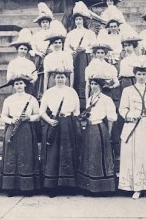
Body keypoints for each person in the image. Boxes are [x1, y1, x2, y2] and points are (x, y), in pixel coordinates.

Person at [118, 56, 146, 199]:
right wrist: (130, 115)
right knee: (135, 155)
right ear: (135, 75)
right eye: (139, 74)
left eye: (144, 74)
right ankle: (136, 188)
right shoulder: (128, 90)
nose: (141, 77)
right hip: (133, 127)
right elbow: (122, 109)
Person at [39, 64, 80, 197]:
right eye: (58, 77)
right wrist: (49, 121)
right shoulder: (49, 92)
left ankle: (69, 186)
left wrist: (73, 120)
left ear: (67, 78)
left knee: (68, 152)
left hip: (68, 123)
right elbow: (41, 111)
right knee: (54, 153)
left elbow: (77, 110)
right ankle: (52, 187)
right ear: (53, 78)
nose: (60, 79)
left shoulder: (71, 91)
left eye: (63, 77)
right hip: (54, 124)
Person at [77, 72, 117, 195]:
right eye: (92, 84)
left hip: (100, 128)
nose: (93, 86)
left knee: (99, 156)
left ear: (101, 86)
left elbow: (111, 117)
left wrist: (108, 133)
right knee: (89, 156)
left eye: (96, 84)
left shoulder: (106, 99)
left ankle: (103, 188)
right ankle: (89, 186)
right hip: (89, 128)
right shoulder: (90, 98)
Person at [0, 73, 41, 197]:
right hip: (12, 127)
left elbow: (38, 115)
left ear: (25, 85)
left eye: (21, 83)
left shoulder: (31, 99)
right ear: (13, 86)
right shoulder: (9, 99)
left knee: (26, 155)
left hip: (26, 129)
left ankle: (27, 187)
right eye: (16, 84)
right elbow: (3, 116)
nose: (19, 86)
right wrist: (11, 121)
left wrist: (29, 117)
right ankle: (10, 187)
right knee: (11, 156)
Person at [64, 1, 96, 100]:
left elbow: (94, 45)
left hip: (85, 56)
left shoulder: (89, 33)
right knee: (74, 75)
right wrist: (71, 52)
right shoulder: (70, 33)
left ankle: (83, 96)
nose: (78, 21)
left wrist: (86, 48)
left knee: (83, 76)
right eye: (76, 19)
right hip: (74, 56)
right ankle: (74, 95)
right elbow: (66, 46)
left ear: (83, 20)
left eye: (80, 19)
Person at [30, 2, 53, 99]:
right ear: (40, 24)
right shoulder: (36, 35)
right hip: (39, 57)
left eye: (46, 22)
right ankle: (39, 94)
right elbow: (32, 47)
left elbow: (56, 45)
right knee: (39, 75)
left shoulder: (52, 33)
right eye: (43, 22)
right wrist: (39, 53)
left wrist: (49, 51)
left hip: (50, 56)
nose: (45, 24)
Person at [43, 20, 74, 92]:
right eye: (55, 43)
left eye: (60, 43)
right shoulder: (48, 57)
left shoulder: (67, 55)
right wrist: (45, 89)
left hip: (64, 79)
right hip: (53, 80)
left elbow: (71, 72)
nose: (58, 44)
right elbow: (46, 74)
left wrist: (71, 87)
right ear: (52, 44)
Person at [7, 28, 38, 95]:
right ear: (17, 50)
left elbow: (35, 75)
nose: (23, 51)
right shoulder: (13, 63)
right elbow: (9, 76)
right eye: (21, 49)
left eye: (25, 49)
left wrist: (30, 81)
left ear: (27, 51)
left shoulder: (30, 63)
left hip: (28, 87)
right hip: (16, 86)